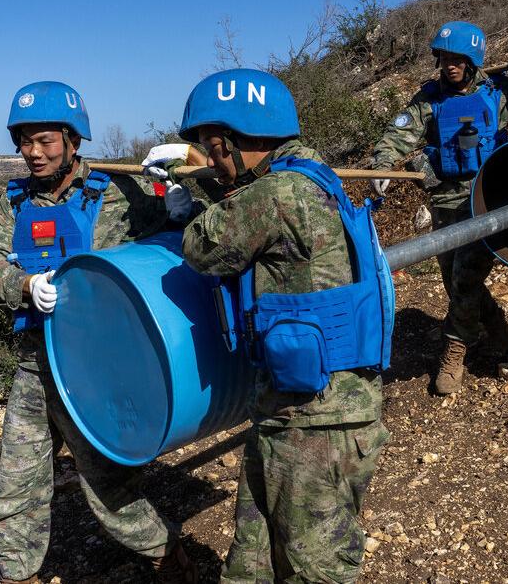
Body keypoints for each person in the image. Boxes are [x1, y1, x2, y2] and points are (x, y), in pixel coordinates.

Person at [152, 68, 392, 583]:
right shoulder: (314, 178)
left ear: (241, 139)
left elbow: (203, 248)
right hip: (302, 410)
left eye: (216, 149)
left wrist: (186, 205)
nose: (214, 161)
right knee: (253, 559)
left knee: (312, 569)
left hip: (315, 425)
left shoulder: (279, 194)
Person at [0, 81, 197, 583]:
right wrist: (23, 283)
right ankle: (17, 572)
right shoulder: (13, 204)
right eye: (25, 141)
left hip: (96, 367)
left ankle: (168, 557)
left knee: (106, 485)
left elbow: (195, 244)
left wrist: (183, 207)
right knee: (16, 483)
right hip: (35, 363)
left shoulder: (119, 193)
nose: (33, 153)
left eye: (45, 140)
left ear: (73, 141)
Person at [370, 21, 508, 395]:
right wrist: (382, 164)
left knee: (465, 275)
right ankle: (496, 327)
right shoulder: (428, 100)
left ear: (472, 61)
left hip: (490, 194)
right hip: (445, 198)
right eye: (444, 58)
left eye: (458, 59)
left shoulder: (499, 91)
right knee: (452, 277)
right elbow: (398, 135)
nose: (450, 66)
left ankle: (455, 350)